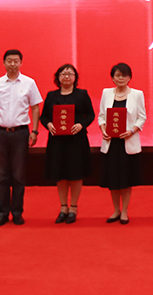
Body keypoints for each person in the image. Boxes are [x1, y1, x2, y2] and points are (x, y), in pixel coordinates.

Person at [0, 49, 43, 227]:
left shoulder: (29, 83)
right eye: (9, 61)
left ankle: (17, 212)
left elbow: (35, 108)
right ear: (4, 63)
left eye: (16, 61)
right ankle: (2, 213)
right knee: (1, 176)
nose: (12, 64)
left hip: (20, 133)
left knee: (18, 176)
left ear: (21, 63)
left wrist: (35, 131)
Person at [39, 64, 95, 224]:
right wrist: (48, 124)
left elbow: (90, 115)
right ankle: (63, 207)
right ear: (58, 77)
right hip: (57, 141)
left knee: (75, 173)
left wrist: (81, 125)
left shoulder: (82, 94)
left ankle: (74, 207)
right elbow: (44, 117)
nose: (67, 77)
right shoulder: (51, 95)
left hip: (76, 140)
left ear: (75, 78)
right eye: (63, 74)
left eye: (70, 74)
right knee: (60, 173)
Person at [97, 63, 146, 225]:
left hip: (127, 142)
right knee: (113, 179)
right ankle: (115, 210)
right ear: (112, 78)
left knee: (125, 179)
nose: (121, 78)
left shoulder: (137, 94)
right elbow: (101, 116)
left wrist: (132, 131)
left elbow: (141, 117)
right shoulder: (106, 93)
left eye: (124, 75)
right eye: (117, 75)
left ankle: (124, 210)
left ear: (129, 77)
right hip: (111, 143)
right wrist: (103, 129)